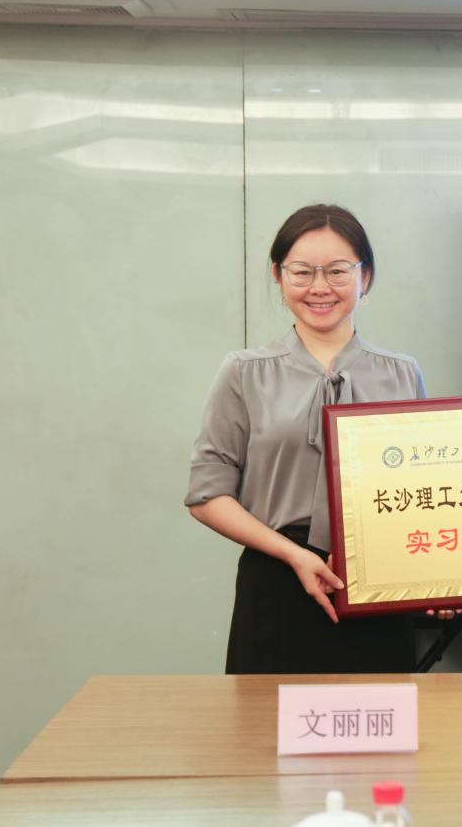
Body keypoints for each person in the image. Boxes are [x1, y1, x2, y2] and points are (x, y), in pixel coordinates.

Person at [186, 204, 439, 675]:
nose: (320, 287)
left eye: (338, 271)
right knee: (266, 723)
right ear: (278, 276)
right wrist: (294, 555)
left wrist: (443, 577)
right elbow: (206, 495)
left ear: (365, 277)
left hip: (378, 587)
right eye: (302, 272)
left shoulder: (402, 373)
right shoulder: (244, 372)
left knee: (378, 722)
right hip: (276, 582)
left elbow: (423, 495)